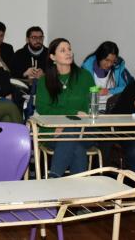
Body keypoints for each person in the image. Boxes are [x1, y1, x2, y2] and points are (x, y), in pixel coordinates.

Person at [35, 38, 95, 177]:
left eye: (69, 49)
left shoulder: (84, 76)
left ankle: (53, 179)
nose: (68, 53)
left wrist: (67, 124)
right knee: (77, 149)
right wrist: (71, 114)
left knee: (70, 131)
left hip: (84, 130)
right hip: (52, 130)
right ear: (52, 57)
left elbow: (90, 107)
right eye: (63, 50)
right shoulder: (45, 80)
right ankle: (79, 194)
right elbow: (43, 109)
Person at [81, 41, 133, 111]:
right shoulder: (86, 68)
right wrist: (95, 91)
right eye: (106, 60)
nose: (109, 64)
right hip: (92, 110)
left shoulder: (119, 67)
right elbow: (81, 91)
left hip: (113, 108)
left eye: (112, 61)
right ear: (99, 56)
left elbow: (129, 87)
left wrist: (109, 91)